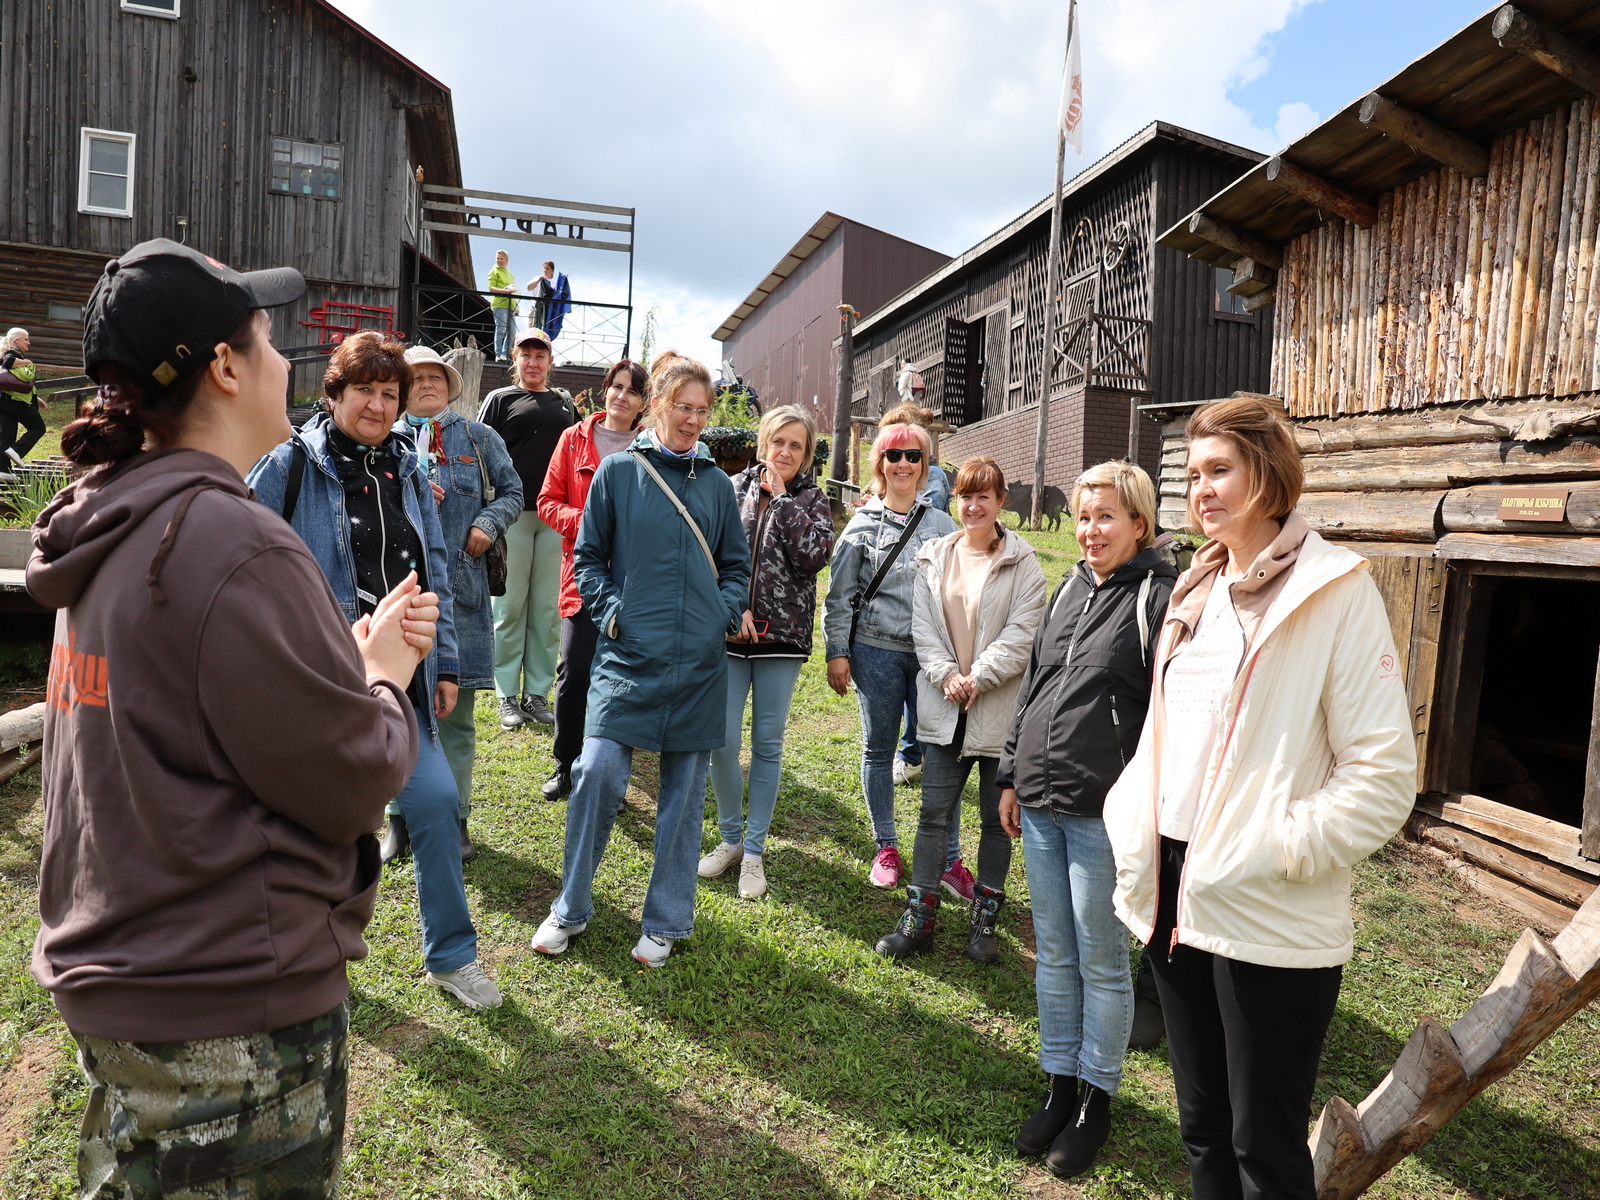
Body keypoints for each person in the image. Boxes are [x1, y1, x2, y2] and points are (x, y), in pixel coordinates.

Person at [28, 239, 434, 1196]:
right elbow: (353, 777)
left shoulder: (111, 519)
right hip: (225, 1014)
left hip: (128, 981)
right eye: (268, 335)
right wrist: (382, 674)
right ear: (223, 366)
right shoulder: (233, 542)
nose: (287, 360)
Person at [1103, 396, 1417, 1200]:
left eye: (1220, 471)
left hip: (1264, 907)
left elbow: (1383, 778)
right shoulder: (1193, 590)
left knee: (1263, 1151)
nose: (1201, 488)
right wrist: (1129, 815)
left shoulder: (1335, 591)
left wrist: (1274, 848)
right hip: (1172, 889)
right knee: (1202, 1130)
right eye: (1193, 473)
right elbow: (1165, 737)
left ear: (1268, 476)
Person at [249, 332, 502, 1011]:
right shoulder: (290, 466)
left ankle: (451, 957)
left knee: (437, 802)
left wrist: (443, 659)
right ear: (334, 393)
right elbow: (240, 556)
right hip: (318, 680)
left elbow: (435, 573)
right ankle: (303, 960)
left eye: (390, 394)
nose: (379, 405)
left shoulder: (407, 469)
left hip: (400, 679)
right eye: (365, 390)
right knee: (314, 828)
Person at [531, 357, 749, 968]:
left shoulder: (715, 485)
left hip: (698, 663)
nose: (694, 421)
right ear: (657, 405)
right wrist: (614, 614)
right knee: (595, 772)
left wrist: (721, 614)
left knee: (683, 795)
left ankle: (667, 919)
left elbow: (735, 566)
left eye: (703, 411)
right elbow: (589, 558)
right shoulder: (619, 474)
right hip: (626, 655)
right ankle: (569, 906)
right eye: (684, 407)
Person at [997, 460, 1177, 1178]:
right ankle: (1058, 1086)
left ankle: (1094, 1104)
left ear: (1139, 522)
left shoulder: (1159, 598)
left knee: (1103, 964)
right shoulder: (1071, 584)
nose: (1090, 530)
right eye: (1082, 516)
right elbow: (1036, 684)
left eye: (1106, 517)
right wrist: (1010, 772)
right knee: (1055, 957)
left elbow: (1170, 714)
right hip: (1038, 802)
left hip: (1104, 814)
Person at [872, 455, 1045, 962]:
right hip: (945, 707)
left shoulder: (1025, 564)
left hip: (997, 710)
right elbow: (922, 627)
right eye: (966, 495)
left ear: (1000, 502)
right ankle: (918, 921)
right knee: (933, 814)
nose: (973, 505)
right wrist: (948, 675)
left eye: (984, 496)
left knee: (996, 822)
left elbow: (1022, 634)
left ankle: (984, 926)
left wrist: (977, 677)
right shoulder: (933, 556)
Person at [386, 345, 523, 861]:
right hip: (400, 596)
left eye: (435, 377)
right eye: (416, 377)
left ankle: (457, 821)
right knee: (398, 713)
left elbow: (512, 491)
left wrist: (486, 524)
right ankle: (397, 822)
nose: (426, 385)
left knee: (456, 717)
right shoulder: (387, 439)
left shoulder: (478, 437)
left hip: (460, 597)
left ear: (449, 386)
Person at [697, 405, 834, 899]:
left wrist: (784, 503)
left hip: (783, 639)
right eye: (779, 441)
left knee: (768, 744)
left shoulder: (815, 500)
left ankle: (754, 851)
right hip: (732, 636)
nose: (786, 452)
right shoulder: (731, 489)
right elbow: (713, 558)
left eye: (796, 445)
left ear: (807, 453)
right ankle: (730, 838)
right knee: (722, 742)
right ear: (763, 443)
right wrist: (732, 613)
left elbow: (814, 558)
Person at [823, 421, 957, 889]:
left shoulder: (943, 526)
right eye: (893, 455)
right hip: (875, 651)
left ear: (925, 466)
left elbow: (957, 595)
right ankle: (886, 847)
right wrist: (837, 652)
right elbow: (838, 596)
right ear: (880, 462)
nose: (903, 464)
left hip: (930, 658)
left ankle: (950, 859)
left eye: (913, 456)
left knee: (940, 755)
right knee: (879, 748)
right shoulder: (861, 524)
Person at [535, 359, 649, 801]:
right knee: (575, 671)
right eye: (616, 386)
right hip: (582, 575)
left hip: (635, 581)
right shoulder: (574, 439)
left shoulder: (650, 447)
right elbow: (547, 502)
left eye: (632, 390)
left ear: (643, 403)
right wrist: (589, 521)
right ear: (605, 390)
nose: (621, 396)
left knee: (622, 680)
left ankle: (610, 776)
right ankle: (566, 765)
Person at [477, 326, 578, 730]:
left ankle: (537, 693)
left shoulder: (566, 404)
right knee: (509, 607)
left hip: (555, 518)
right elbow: (480, 449)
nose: (533, 362)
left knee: (546, 610)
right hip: (513, 515)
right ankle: (506, 695)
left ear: (550, 362)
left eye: (541, 355)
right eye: (526, 355)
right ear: (514, 360)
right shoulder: (499, 399)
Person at [0, 327, 48, 472]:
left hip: (4, 401)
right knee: (38, 428)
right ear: (16, 341)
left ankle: (3, 471)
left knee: (7, 437)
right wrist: (27, 362)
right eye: (26, 339)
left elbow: (14, 382)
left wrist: (36, 398)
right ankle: (16, 451)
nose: (29, 343)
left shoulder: (6, 352)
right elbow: (8, 361)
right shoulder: (12, 352)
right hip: (17, 402)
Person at [487, 250, 517, 363]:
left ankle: (506, 354)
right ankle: (498, 354)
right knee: (501, 329)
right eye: (498, 258)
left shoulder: (510, 274)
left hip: (510, 304)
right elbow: (491, 288)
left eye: (501, 258)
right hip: (499, 303)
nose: (499, 260)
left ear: (506, 260)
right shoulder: (493, 271)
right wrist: (504, 291)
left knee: (512, 331)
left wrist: (516, 305)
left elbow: (513, 290)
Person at [540, 260, 572, 342]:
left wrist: (563, 280)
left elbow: (558, 293)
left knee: (545, 331)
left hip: (548, 309)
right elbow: (528, 287)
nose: (545, 270)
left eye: (547, 268)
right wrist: (538, 279)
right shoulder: (538, 279)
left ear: (552, 271)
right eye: (544, 268)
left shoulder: (554, 283)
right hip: (537, 308)